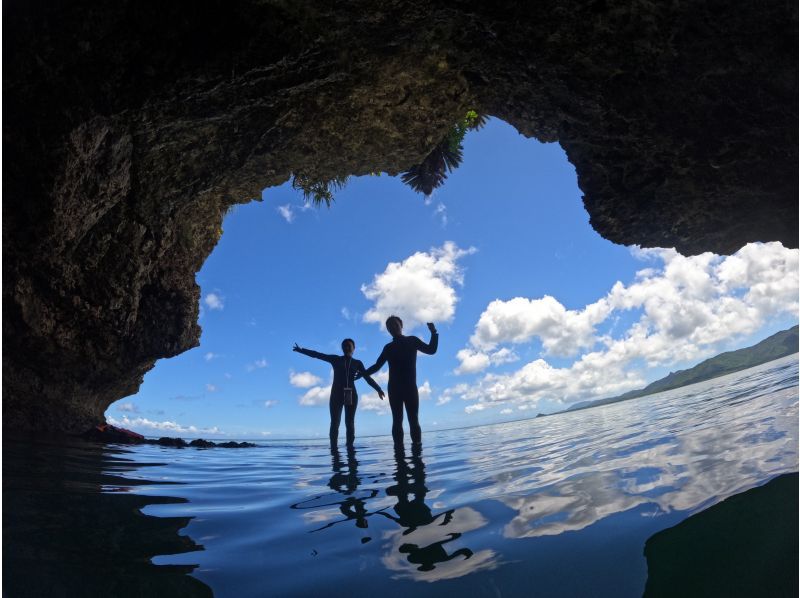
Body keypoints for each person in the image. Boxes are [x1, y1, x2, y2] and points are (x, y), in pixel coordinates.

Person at [293, 339, 384, 447]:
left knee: (349, 423)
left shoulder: (357, 363)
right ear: (342, 348)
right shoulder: (335, 359)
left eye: (349, 345)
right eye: (344, 345)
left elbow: (367, 378)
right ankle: (334, 448)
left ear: (354, 348)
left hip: (351, 394)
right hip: (336, 394)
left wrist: (378, 389)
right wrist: (301, 350)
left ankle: (350, 448)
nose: (346, 347)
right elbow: (318, 355)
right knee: (335, 423)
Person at [363, 316, 437, 446]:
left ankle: (417, 451)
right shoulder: (388, 348)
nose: (393, 328)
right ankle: (399, 453)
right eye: (389, 327)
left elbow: (431, 350)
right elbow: (376, 366)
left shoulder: (412, 340)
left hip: (410, 387)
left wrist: (433, 333)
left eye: (395, 325)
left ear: (401, 325)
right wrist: (362, 373)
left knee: (413, 420)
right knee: (397, 420)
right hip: (394, 389)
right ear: (388, 330)